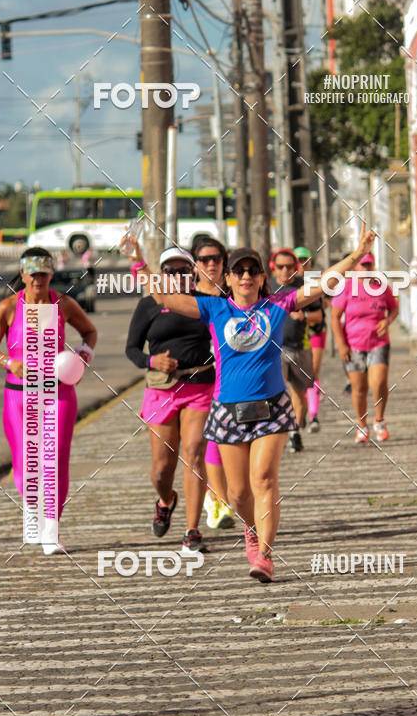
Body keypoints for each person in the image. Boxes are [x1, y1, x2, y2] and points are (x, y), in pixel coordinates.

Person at [143, 225, 376, 583]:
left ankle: (265, 555)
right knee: (237, 493)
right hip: (227, 411)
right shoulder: (214, 308)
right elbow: (165, 299)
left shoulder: (279, 305)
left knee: (264, 479)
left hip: (271, 408)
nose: (247, 275)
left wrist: (357, 254)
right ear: (230, 278)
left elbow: (322, 284)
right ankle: (250, 529)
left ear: (262, 277)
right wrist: (136, 263)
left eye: (253, 270)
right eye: (239, 270)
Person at [0, 246, 97, 553]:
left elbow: (89, 331)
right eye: (32, 274)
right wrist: (8, 362)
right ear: (22, 274)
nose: (37, 280)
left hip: (59, 392)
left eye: (43, 274)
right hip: (19, 396)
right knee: (24, 465)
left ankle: (51, 529)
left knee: (56, 458)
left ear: (51, 273)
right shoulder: (8, 307)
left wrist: (82, 356)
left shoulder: (64, 304)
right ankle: (32, 509)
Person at [125, 246, 214, 552]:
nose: (176, 276)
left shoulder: (207, 302)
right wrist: (153, 362)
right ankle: (166, 499)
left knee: (193, 454)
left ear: (192, 273)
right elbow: (132, 350)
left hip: (200, 385)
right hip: (162, 388)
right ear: (162, 275)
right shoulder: (150, 304)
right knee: (162, 469)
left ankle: (192, 530)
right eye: (169, 271)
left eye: (182, 271)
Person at [190, 234, 235, 529]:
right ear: (195, 264)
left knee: (229, 440)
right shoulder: (189, 298)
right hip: (198, 382)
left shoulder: (233, 296)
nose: (211, 265)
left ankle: (220, 496)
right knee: (210, 440)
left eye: (216, 259)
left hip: (233, 380)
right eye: (204, 260)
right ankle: (217, 499)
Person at [332, 251, 398, 443]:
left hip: (379, 342)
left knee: (378, 382)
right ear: (354, 268)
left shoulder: (381, 287)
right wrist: (341, 345)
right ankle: (362, 424)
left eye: (369, 265)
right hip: (354, 345)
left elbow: (394, 308)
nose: (366, 269)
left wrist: (387, 320)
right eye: (362, 265)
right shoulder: (346, 288)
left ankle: (379, 420)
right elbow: (335, 317)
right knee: (359, 388)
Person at [270, 248, 322, 452]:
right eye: (280, 266)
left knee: (299, 394)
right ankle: (278, 432)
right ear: (273, 268)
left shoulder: (305, 288)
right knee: (279, 392)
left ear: (295, 268)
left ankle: (295, 432)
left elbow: (318, 317)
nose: (285, 270)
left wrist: (303, 318)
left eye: (289, 266)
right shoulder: (266, 287)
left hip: (299, 346)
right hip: (274, 349)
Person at [295, 247, 328, 432]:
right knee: (298, 377)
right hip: (295, 334)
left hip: (315, 330)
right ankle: (302, 411)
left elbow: (328, 302)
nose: (302, 264)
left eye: (305, 260)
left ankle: (314, 416)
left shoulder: (316, 280)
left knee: (312, 372)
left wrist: (321, 302)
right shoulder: (289, 284)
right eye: (299, 260)